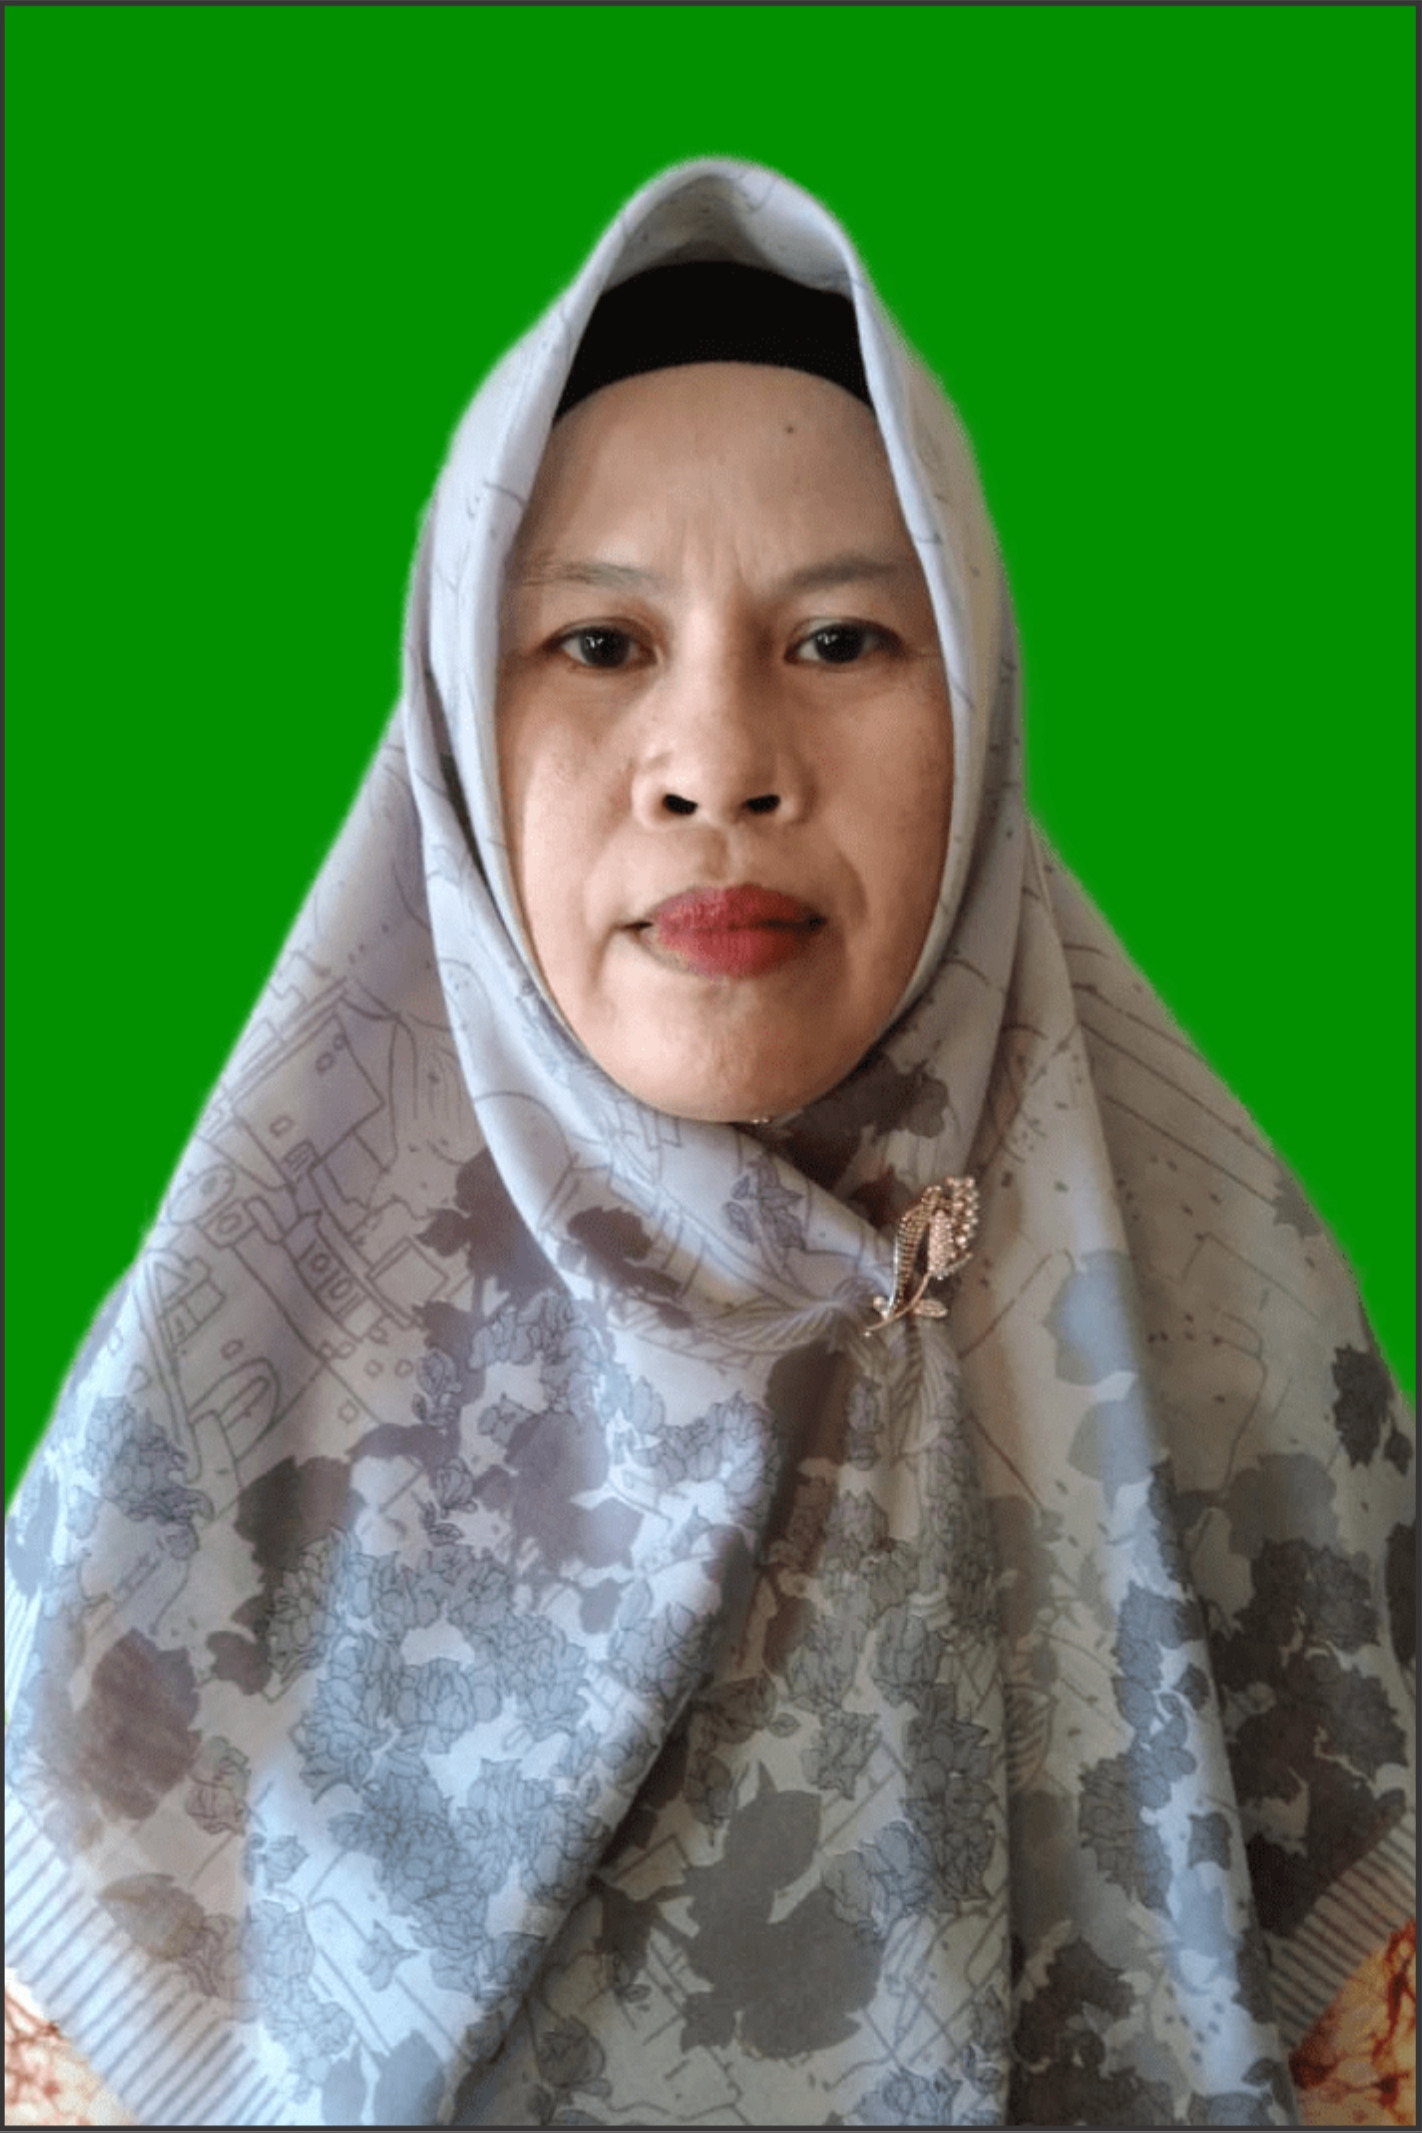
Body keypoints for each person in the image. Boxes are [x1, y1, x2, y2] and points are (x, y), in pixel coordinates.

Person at [4, 160, 1413, 2128]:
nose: (719, 764)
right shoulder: (216, 1394)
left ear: (982, 707)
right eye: (597, 644)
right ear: (453, 726)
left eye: (840, 640)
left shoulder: (1231, 1346)